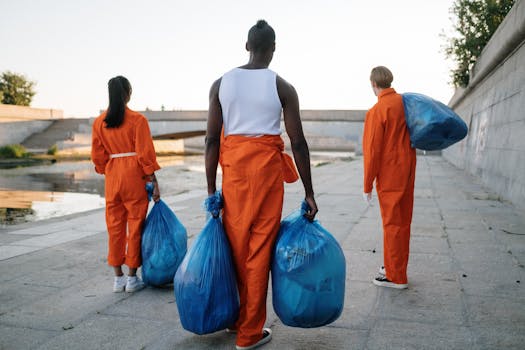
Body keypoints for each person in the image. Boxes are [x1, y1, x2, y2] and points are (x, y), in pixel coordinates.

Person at [205, 19, 318, 350]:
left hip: (235, 172)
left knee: (236, 244)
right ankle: (249, 333)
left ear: (246, 46)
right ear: (273, 49)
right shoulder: (282, 87)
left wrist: (212, 191)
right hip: (267, 174)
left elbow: (212, 140)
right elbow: (298, 142)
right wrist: (309, 193)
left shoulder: (220, 84)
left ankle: (236, 319)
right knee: (259, 249)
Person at [91, 75, 161, 293]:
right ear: (128, 94)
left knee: (114, 227)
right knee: (135, 226)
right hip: (134, 177)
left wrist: (109, 170)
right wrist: (154, 180)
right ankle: (132, 278)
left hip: (113, 177)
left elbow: (97, 157)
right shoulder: (138, 120)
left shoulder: (99, 122)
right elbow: (145, 154)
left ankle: (117, 278)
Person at [362, 66, 416, 289]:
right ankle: (395, 266)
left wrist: (367, 185)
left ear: (374, 84)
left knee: (392, 224)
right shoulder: (404, 103)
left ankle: (396, 277)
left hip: (390, 173)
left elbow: (372, 152)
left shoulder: (377, 110)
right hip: (408, 169)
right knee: (403, 222)